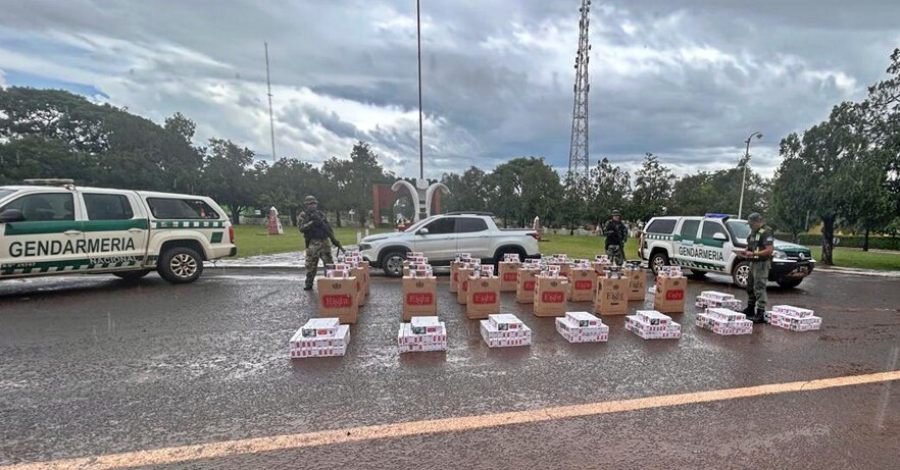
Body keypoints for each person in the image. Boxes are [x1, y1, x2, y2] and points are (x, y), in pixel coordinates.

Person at [297, 195, 343, 291]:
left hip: (324, 242)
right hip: (313, 242)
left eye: (314, 203)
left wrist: (334, 240)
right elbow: (301, 228)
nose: (313, 206)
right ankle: (309, 283)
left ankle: (332, 283)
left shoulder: (320, 214)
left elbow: (328, 228)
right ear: (307, 205)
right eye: (311, 204)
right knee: (311, 265)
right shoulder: (303, 215)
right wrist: (312, 222)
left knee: (329, 264)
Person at [740, 212, 774, 323]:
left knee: (759, 286)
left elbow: (769, 250)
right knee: (750, 286)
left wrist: (754, 253)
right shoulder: (754, 232)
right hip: (753, 262)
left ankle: (760, 312)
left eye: (751, 223)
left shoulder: (766, 232)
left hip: (762, 263)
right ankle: (750, 308)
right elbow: (750, 245)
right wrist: (746, 251)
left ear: (757, 222)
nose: (750, 226)